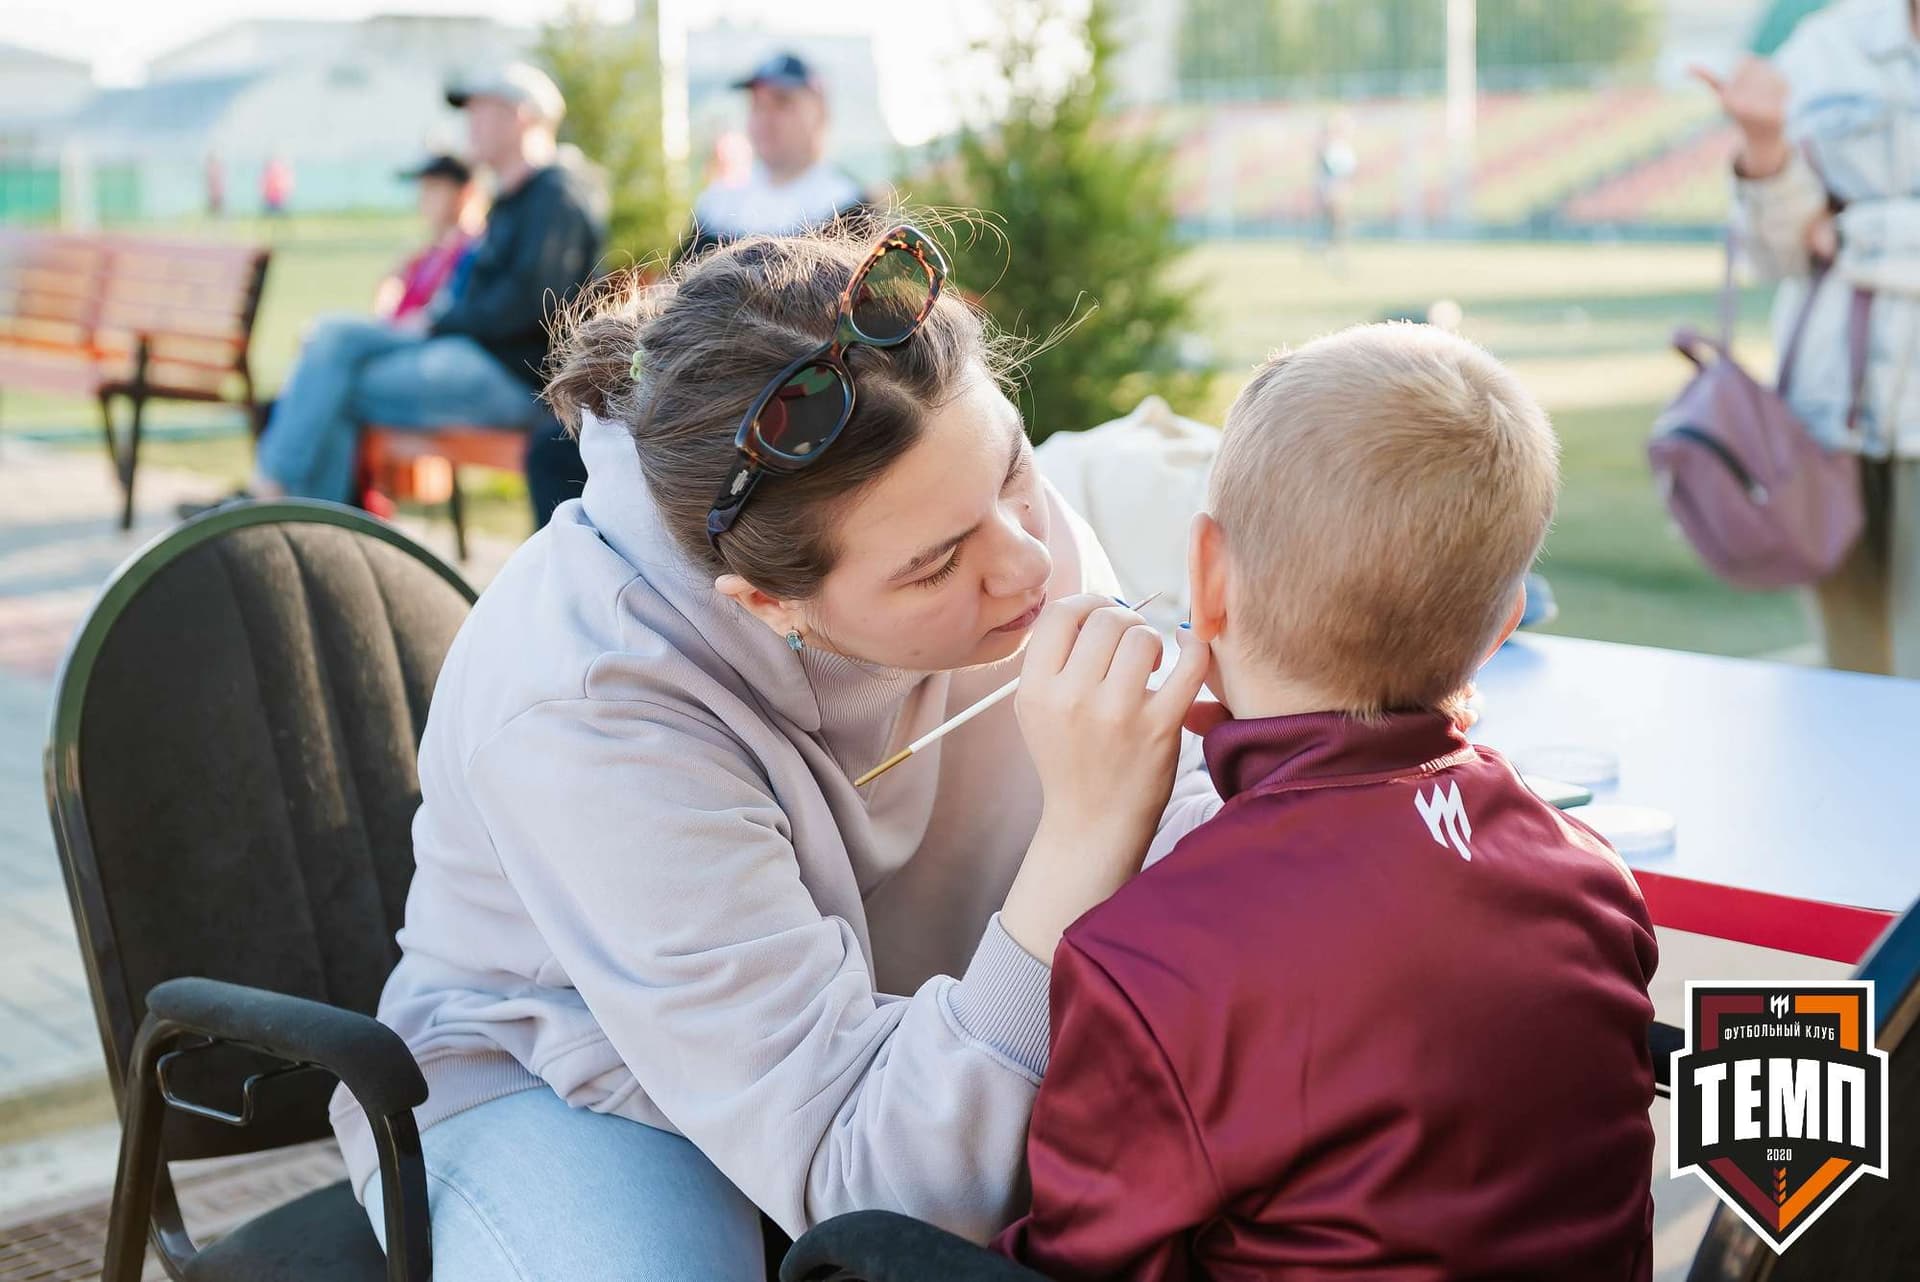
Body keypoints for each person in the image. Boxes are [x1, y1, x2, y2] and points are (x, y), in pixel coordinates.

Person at [329, 223, 1222, 1279]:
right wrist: (1086, 839)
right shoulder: (589, 704)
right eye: (937, 566)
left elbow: (1189, 833)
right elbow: (878, 1189)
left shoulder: (972, 508)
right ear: (767, 604)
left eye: (1016, 469)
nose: (1029, 563)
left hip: (911, 1039)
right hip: (574, 1082)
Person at [997, 325, 1659, 1281]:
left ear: (1206, 576)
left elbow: (1071, 1264)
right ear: (1502, 629)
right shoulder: (1592, 879)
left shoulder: (1146, 960)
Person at [182, 63, 604, 521]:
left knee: (336, 385)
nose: (470, 124)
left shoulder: (556, 194)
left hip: (515, 378)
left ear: (520, 117)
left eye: (480, 110)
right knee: (332, 336)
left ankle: (287, 509)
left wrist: (438, 321)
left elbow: (528, 308)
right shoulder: (513, 195)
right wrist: (439, 321)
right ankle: (298, 513)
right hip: (467, 352)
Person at [1694, 0, 1920, 675]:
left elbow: (1825, 239)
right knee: (1850, 675)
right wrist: (1764, 146)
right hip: (1827, 422)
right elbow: (1776, 254)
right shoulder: (1826, 46)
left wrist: (1848, 232)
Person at [676, 52, 869, 259]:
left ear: (820, 112)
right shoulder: (718, 205)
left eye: (782, 103)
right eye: (757, 105)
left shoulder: (844, 205)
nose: (765, 118)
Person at [375, 154, 483, 329]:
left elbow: (443, 312)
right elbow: (388, 304)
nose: (423, 198)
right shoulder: (425, 255)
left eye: (433, 188)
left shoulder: (475, 250)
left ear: (464, 193)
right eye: (422, 188)